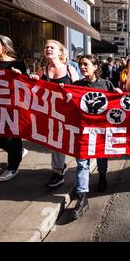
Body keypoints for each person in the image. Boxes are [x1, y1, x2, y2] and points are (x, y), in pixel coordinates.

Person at [70, 54, 122, 220]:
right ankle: (82, 197)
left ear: (95, 66)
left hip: (101, 129)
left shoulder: (106, 84)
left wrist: (119, 95)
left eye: (86, 64)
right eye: (80, 65)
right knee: (82, 162)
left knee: (101, 154)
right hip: (83, 130)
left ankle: (102, 175)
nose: (82, 67)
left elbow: (115, 102)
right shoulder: (76, 85)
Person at [29, 39, 79, 187]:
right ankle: (58, 172)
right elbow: (33, 88)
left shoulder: (70, 69)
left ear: (60, 52)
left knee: (73, 142)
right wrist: (33, 79)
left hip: (70, 113)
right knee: (56, 142)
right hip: (51, 114)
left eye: (52, 47)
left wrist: (68, 89)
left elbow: (78, 90)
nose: (48, 49)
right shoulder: (43, 70)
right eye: (46, 47)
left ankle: (82, 168)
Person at [0, 34, 28, 182]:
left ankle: (12, 167)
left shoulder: (17, 63)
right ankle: (17, 151)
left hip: (11, 105)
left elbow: (26, 85)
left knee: (11, 134)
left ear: (5, 48)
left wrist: (20, 76)